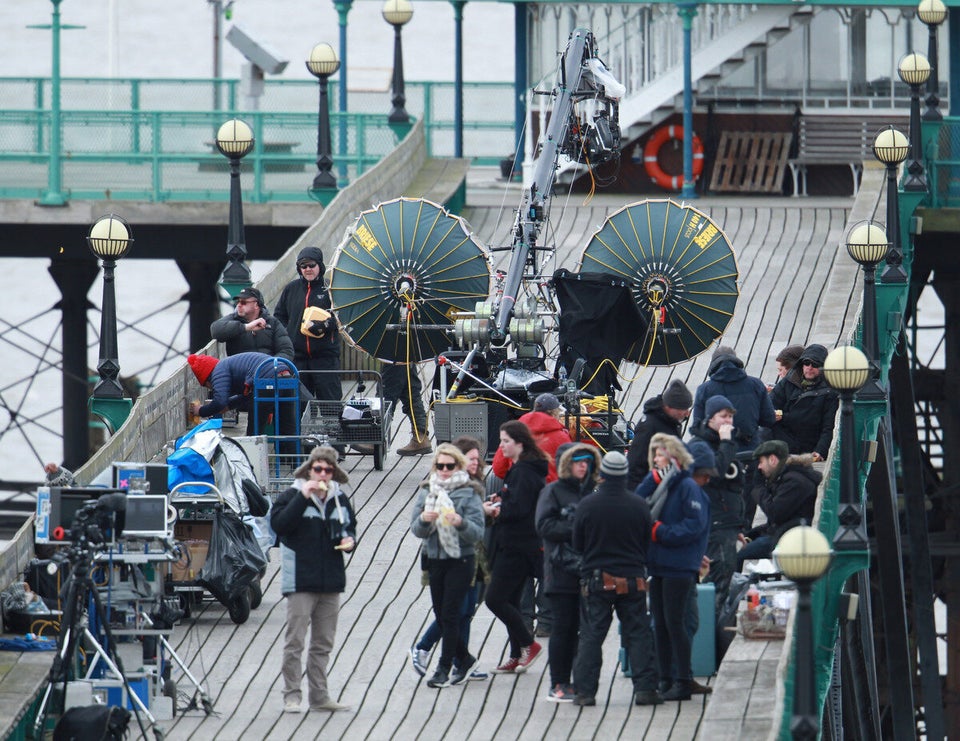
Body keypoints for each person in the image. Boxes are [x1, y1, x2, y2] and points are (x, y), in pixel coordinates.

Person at [571, 451, 661, 707]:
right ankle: (646, 689)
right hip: (633, 579)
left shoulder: (588, 505)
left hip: (597, 579)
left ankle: (585, 692)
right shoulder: (639, 505)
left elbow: (578, 544)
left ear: (603, 475)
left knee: (591, 635)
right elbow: (646, 543)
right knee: (638, 633)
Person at [270, 445, 356, 713]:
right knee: (295, 641)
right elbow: (280, 526)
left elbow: (349, 528)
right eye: (317, 469)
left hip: (330, 580)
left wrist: (350, 540)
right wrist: (303, 497)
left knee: (323, 643)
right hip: (299, 580)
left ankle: (319, 697)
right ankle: (291, 696)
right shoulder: (291, 495)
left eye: (328, 470)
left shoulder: (339, 499)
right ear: (308, 470)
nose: (322, 474)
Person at [635, 433, 710, 702]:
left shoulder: (688, 486)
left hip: (680, 564)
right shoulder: (658, 483)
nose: (656, 459)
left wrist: (659, 532)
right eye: (654, 455)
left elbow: (694, 526)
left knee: (675, 622)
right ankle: (666, 677)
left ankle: (683, 679)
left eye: (661, 454)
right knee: (661, 623)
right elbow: (637, 505)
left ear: (675, 457)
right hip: (658, 564)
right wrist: (651, 480)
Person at [410, 436, 490, 682]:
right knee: (443, 613)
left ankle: (443, 668)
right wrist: (425, 519)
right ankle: (464, 659)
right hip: (434, 557)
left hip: (462, 559)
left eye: (450, 466)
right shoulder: (427, 491)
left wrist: (460, 522)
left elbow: (477, 532)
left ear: (458, 466)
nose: (445, 471)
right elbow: (417, 530)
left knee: (453, 613)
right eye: (440, 466)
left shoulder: (470, 492)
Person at [535, 442, 601, 702]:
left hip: (587, 572)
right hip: (560, 572)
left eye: (587, 461)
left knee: (585, 630)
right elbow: (544, 526)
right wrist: (577, 526)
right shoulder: (552, 492)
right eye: (578, 461)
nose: (583, 465)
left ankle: (578, 679)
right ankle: (558, 682)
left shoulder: (591, 495)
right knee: (563, 629)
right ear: (566, 465)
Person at [484, 420, 547, 674]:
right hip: (519, 543)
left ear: (519, 443)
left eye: (505, 441)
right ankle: (515, 654)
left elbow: (520, 509)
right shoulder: (524, 468)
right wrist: (503, 497)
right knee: (510, 599)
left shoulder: (524, 472)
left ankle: (528, 644)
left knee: (495, 599)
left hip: (517, 545)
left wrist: (495, 509)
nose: (502, 446)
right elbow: (522, 500)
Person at [687, 395, 745, 610]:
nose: (728, 421)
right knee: (718, 580)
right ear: (711, 418)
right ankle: (709, 636)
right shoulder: (700, 446)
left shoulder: (723, 444)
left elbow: (734, 485)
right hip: (713, 522)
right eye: (723, 416)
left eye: (730, 417)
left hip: (726, 522)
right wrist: (727, 442)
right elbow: (717, 472)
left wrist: (737, 524)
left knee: (725, 578)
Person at [737, 440, 821, 568]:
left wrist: (758, 487)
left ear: (772, 460)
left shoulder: (794, 482)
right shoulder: (787, 476)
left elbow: (774, 513)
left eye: (761, 462)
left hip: (789, 539)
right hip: (785, 532)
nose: (759, 467)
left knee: (736, 554)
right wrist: (751, 534)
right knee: (741, 541)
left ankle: (733, 586)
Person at [274, 246, 342, 402]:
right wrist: (288, 334)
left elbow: (343, 318)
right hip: (298, 359)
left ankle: (331, 427)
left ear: (320, 266)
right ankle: (301, 428)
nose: (308, 269)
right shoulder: (291, 289)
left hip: (326, 358)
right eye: (303, 266)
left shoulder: (330, 289)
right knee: (299, 406)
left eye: (312, 265)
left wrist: (326, 325)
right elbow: (279, 316)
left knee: (330, 404)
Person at [186, 351, 297, 438]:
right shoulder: (229, 365)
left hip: (267, 380)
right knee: (288, 427)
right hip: (286, 375)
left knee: (255, 431)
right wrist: (228, 406)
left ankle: (252, 464)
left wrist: (200, 411)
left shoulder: (218, 371)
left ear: (207, 380)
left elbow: (220, 401)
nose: (211, 388)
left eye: (207, 386)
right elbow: (247, 395)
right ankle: (292, 463)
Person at [691, 346, 776, 453]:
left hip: (718, 452)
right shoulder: (756, 385)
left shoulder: (704, 390)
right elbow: (769, 419)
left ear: (713, 365)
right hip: (750, 450)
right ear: (736, 362)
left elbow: (697, 427)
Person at [768, 343, 840, 461]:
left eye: (815, 364)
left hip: (808, 443)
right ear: (801, 364)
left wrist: (820, 451)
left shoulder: (830, 391)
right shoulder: (788, 381)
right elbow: (769, 405)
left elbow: (828, 426)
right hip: (784, 439)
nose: (809, 367)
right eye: (806, 363)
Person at [626, 379, 692, 491]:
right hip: (648, 485)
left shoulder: (671, 421)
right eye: (683, 409)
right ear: (669, 407)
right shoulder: (649, 426)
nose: (687, 413)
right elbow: (635, 463)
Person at [492, 393, 573, 483]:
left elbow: (499, 469)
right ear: (555, 412)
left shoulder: (514, 433)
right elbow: (571, 470)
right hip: (551, 493)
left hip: (520, 489)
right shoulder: (561, 437)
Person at [210, 287, 294, 360]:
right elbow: (215, 330)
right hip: (241, 372)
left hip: (268, 371)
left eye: (243, 302)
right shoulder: (233, 319)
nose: (239, 305)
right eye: (237, 302)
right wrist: (246, 327)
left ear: (256, 305)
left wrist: (272, 365)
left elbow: (286, 350)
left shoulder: (273, 323)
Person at [382, 362, 432, 456]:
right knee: (410, 391)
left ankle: (377, 436)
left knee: (387, 391)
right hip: (406, 354)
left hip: (395, 355)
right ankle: (420, 437)